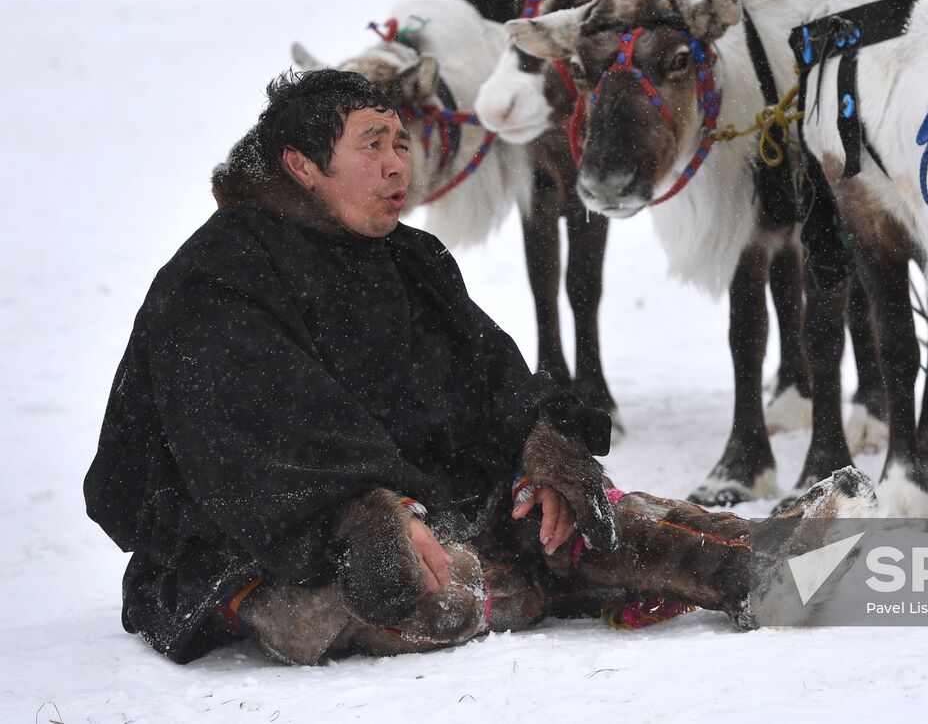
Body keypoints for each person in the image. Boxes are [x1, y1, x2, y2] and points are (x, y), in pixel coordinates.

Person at [85, 68, 867, 666]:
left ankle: (751, 559)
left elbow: (492, 379)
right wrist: (365, 506)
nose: (399, 165)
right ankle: (675, 570)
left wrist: (541, 454)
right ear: (301, 164)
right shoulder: (223, 275)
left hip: (423, 506)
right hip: (258, 547)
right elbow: (254, 439)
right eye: (372, 145)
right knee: (434, 592)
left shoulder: (409, 259)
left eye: (402, 142)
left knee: (569, 514)